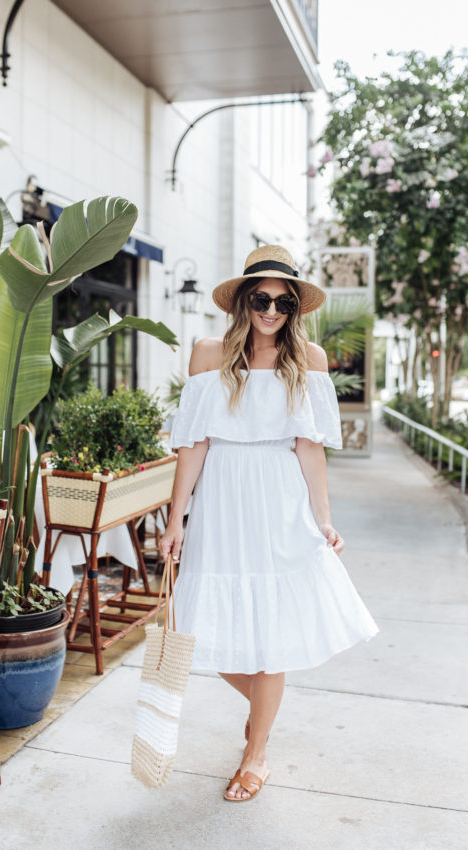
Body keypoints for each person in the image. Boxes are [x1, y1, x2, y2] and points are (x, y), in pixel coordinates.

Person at [158, 244, 379, 802]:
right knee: (206, 636)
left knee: (272, 638)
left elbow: (310, 449)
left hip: (279, 504)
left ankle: (256, 756)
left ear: (296, 308)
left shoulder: (310, 360)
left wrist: (323, 520)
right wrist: (175, 518)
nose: (272, 310)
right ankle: (261, 717)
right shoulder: (209, 355)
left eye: (284, 302)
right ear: (243, 301)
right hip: (221, 505)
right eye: (262, 298)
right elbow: (193, 444)